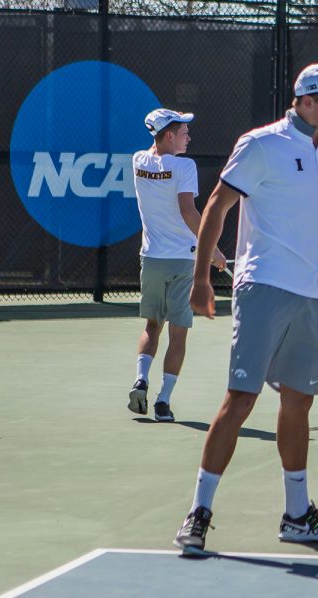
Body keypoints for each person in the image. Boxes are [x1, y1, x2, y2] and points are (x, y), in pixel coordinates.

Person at [173, 63, 318, 553]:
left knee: (298, 401)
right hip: (263, 286)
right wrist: (200, 279)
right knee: (241, 399)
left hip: (313, 295)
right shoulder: (261, 145)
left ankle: (297, 515)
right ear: (306, 102)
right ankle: (198, 512)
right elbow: (216, 205)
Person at [128, 109, 226, 422]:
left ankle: (140, 379)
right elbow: (188, 211)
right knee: (178, 334)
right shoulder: (185, 166)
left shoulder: (138, 161)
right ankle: (162, 402)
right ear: (169, 135)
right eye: (183, 132)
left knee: (152, 326)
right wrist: (213, 250)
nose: (188, 136)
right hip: (184, 260)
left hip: (151, 258)